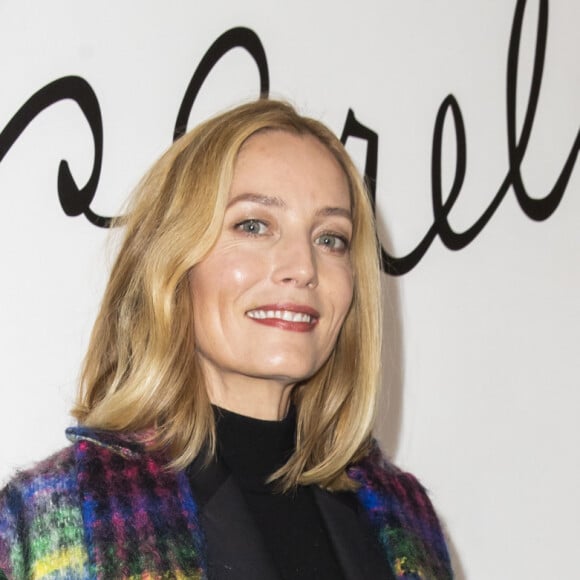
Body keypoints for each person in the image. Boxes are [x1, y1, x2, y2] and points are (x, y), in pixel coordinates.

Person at [0, 99, 453, 579]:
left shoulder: (404, 515)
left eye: (330, 238)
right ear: (174, 261)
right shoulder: (50, 521)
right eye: (254, 226)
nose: (303, 267)